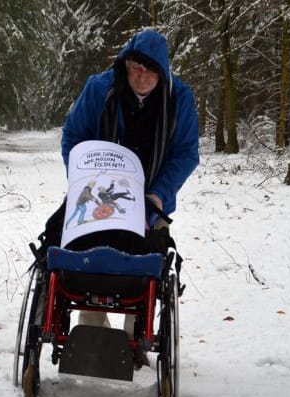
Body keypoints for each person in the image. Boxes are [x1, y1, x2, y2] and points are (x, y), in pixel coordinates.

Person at [59, 29, 199, 348]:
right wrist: (83, 178)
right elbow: (72, 137)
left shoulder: (179, 99)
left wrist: (159, 193)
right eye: (136, 66)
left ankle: (134, 336)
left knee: (145, 266)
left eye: (150, 70)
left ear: (162, 73)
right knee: (84, 256)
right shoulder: (99, 89)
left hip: (150, 197)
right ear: (124, 64)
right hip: (96, 194)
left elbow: (186, 152)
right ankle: (92, 330)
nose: (141, 75)